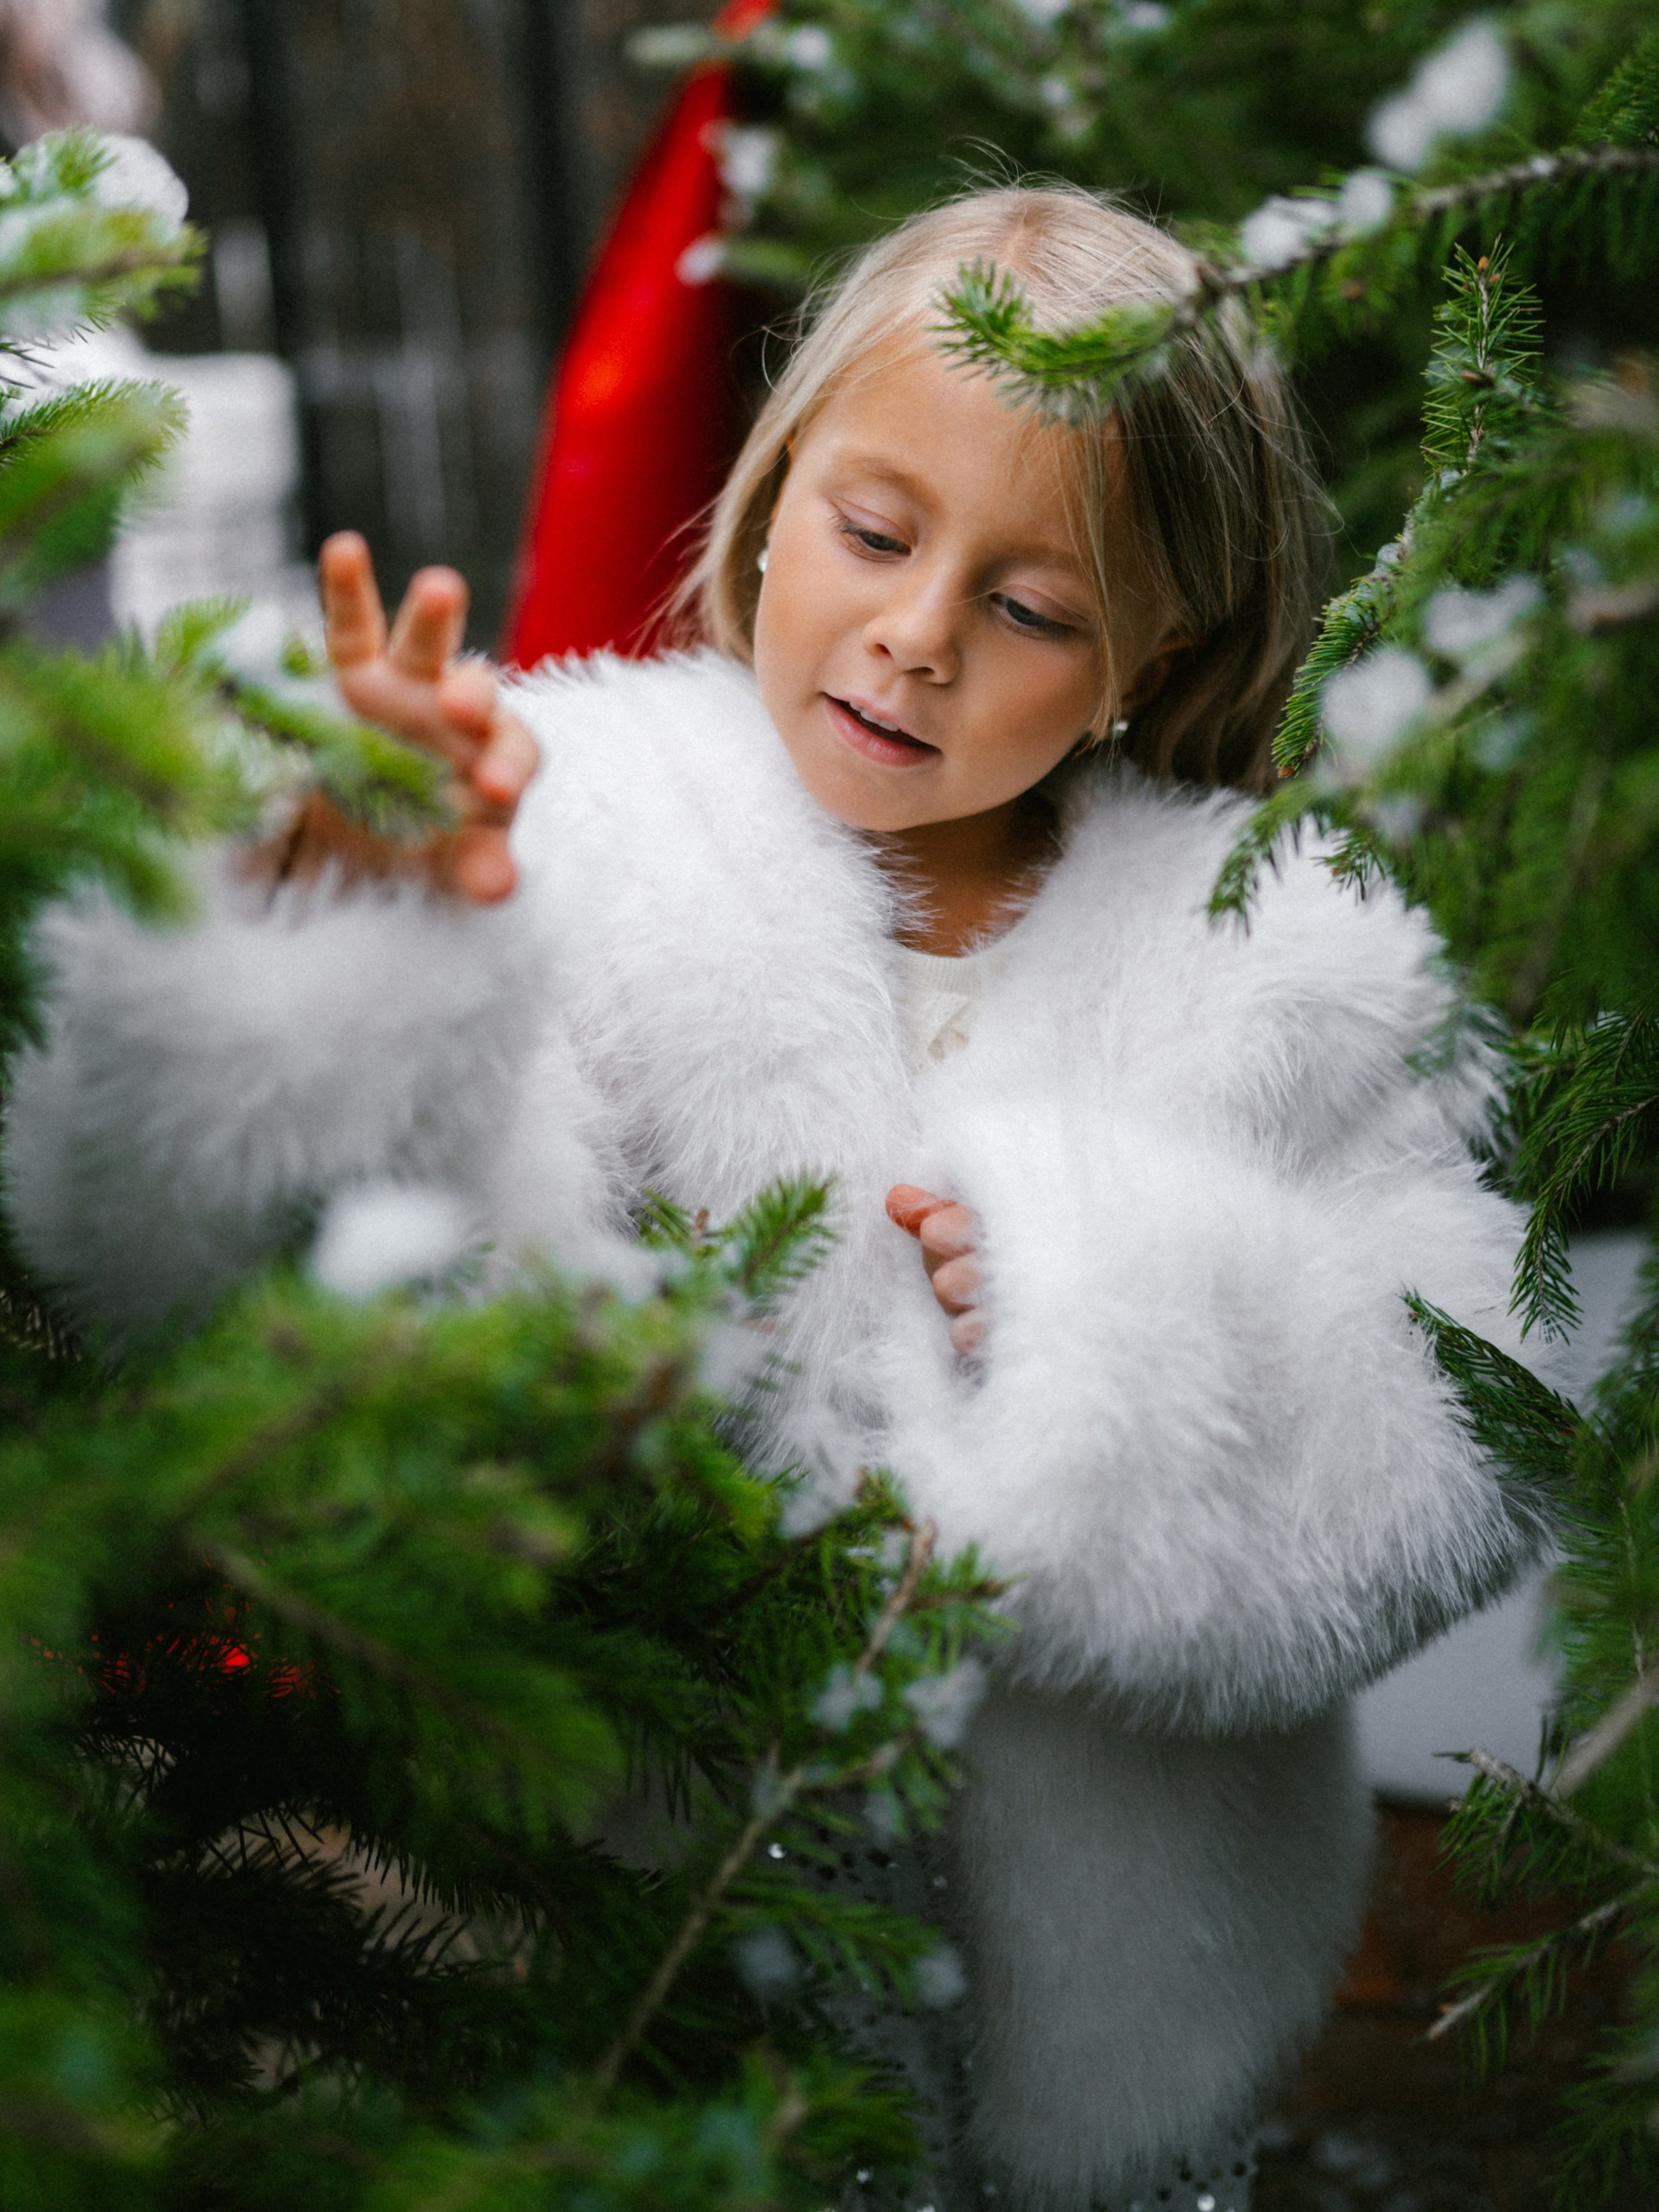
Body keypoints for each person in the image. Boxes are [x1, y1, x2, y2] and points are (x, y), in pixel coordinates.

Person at [2, 186, 1549, 2212]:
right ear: (774, 487)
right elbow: (253, 1295)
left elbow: (1470, 1425)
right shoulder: (572, 835)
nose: (916, 635)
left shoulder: (1281, 958)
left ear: (1153, 643)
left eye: (1034, 605)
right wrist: (342, 975)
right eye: (879, 533)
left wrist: (1121, 1334)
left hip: (1106, 2031)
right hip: (626, 1973)